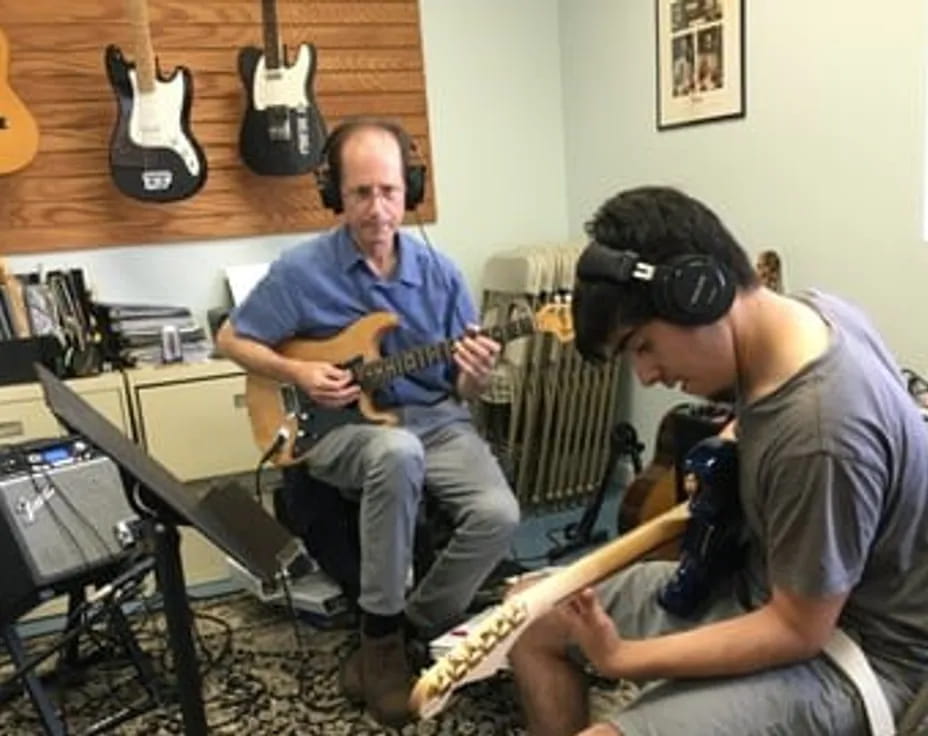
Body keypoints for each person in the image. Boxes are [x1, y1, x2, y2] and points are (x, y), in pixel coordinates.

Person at [509, 186, 928, 735]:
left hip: (849, 653)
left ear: (699, 294)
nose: (646, 375)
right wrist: (732, 446)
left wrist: (621, 658)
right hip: (756, 585)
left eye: (642, 346)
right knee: (526, 620)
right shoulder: (809, 312)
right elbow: (765, 412)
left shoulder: (821, 432)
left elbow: (796, 630)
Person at [216, 118, 519, 727]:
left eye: (388, 191)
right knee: (395, 453)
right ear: (336, 195)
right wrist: (298, 374)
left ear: (409, 189)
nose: (378, 209)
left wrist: (478, 373)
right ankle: (381, 639)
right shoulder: (302, 271)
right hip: (334, 427)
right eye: (361, 193)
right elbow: (231, 337)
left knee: (499, 516)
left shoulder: (443, 275)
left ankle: (404, 628)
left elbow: (463, 386)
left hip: (433, 416)